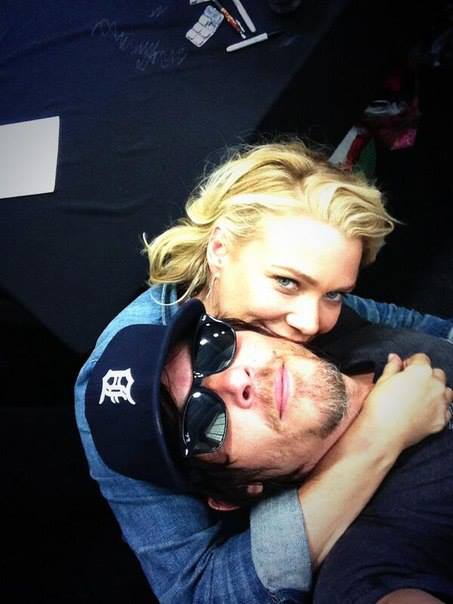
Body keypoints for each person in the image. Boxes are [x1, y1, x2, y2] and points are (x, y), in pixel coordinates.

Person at [75, 139, 452, 603]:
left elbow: (418, 325)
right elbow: (195, 592)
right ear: (219, 250)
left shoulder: (294, 306)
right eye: (286, 282)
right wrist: (378, 435)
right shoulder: (117, 386)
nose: (310, 324)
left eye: (335, 293)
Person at [84, 298, 453, 604]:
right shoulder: (365, 566)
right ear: (238, 491)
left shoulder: (348, 335)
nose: (235, 379)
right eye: (203, 422)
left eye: (212, 347)